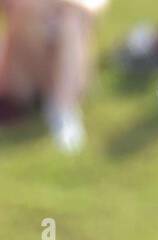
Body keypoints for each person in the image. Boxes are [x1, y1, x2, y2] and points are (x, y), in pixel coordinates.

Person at [0, 0, 108, 152]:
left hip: (69, 67)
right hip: (23, 72)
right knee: (28, 10)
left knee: (71, 21)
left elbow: (92, 8)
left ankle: (62, 109)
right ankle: (61, 108)